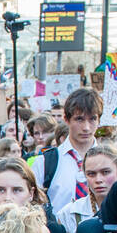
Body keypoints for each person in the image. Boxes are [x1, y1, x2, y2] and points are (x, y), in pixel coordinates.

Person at [25, 87, 102, 215]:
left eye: (92, 119)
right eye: (79, 119)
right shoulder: (45, 162)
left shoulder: (111, 161)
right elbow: (31, 205)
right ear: (66, 119)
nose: (86, 127)